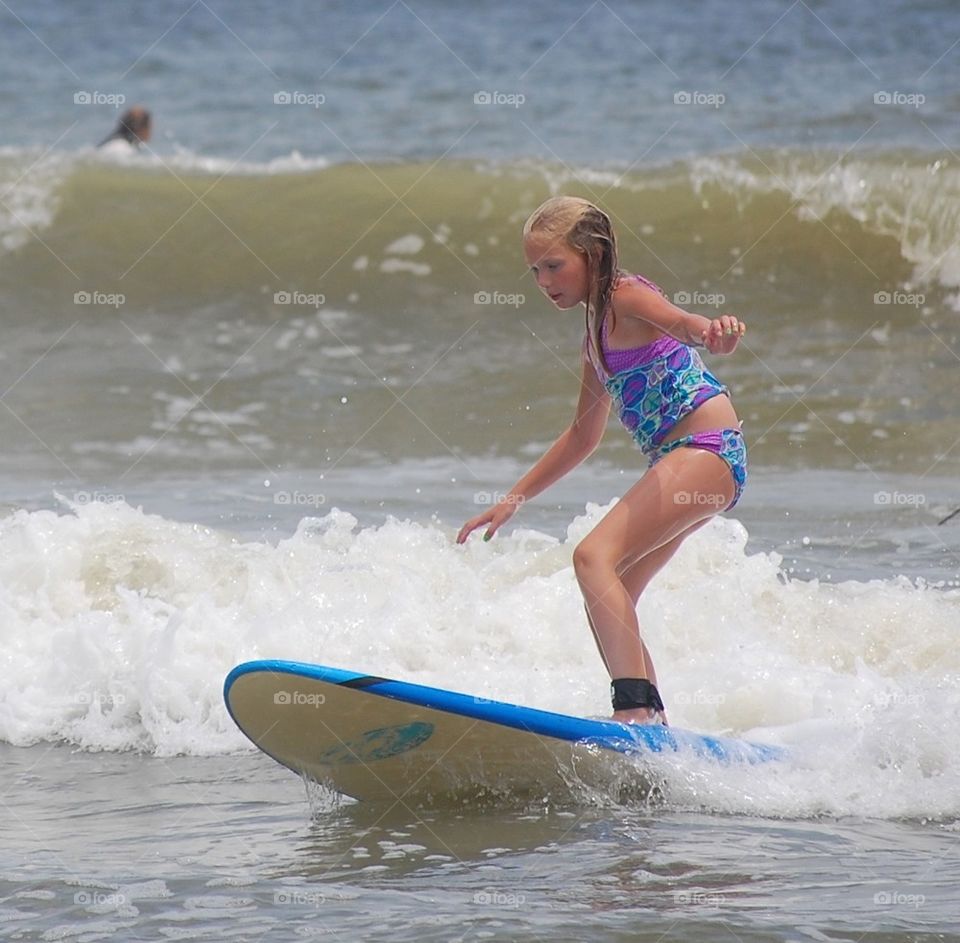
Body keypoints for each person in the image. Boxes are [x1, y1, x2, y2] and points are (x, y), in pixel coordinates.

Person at [457, 195, 747, 726]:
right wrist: (511, 500)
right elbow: (581, 436)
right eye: (535, 271)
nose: (544, 282)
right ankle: (654, 724)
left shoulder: (625, 296)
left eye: (553, 265)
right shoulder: (594, 338)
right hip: (687, 459)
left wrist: (714, 335)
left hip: (707, 449)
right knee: (615, 594)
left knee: (592, 558)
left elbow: (683, 323)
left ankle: (631, 710)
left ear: (591, 254)